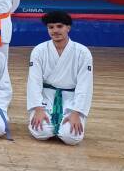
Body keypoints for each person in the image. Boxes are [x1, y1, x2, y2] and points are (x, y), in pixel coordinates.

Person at [27, 11, 93, 146]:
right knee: (41, 133)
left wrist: (76, 112)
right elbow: (34, 82)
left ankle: (66, 123)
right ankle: (47, 122)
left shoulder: (83, 52)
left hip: (71, 98)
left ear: (68, 28)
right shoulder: (39, 50)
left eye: (59, 26)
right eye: (51, 27)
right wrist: (38, 109)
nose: (55, 31)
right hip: (46, 97)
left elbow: (85, 85)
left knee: (72, 137)